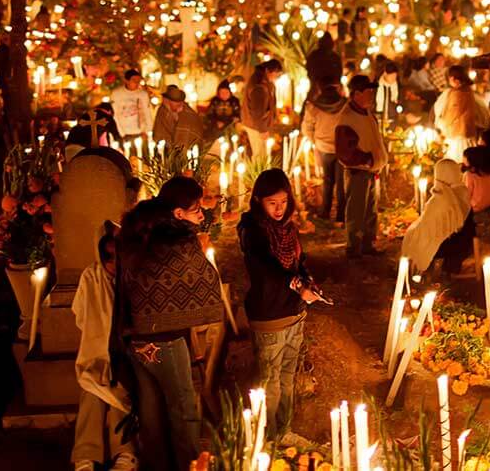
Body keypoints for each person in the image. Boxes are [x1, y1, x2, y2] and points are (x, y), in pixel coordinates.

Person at [117, 180, 221, 471]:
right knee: (184, 409)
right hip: (167, 342)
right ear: (178, 214)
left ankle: (157, 465)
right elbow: (203, 280)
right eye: (197, 210)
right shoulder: (180, 241)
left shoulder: (139, 234)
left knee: (150, 411)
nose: (201, 216)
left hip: (136, 337)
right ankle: (190, 465)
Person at [238, 169, 321, 436]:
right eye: (272, 203)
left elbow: (299, 262)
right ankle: (268, 439)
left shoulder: (287, 229)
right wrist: (298, 285)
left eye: (283, 202)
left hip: (294, 313)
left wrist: (308, 281)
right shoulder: (253, 231)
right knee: (270, 382)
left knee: (287, 376)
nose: (278, 209)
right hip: (270, 315)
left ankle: (283, 434)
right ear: (258, 200)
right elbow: (267, 269)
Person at [72, 223, 137, 471]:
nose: (113, 263)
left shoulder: (132, 276)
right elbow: (82, 315)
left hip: (128, 354)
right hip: (98, 352)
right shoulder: (91, 276)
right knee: (91, 388)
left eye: (117, 256)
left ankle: (125, 452)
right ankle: (86, 455)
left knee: (120, 390)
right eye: (107, 256)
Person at [334, 75, 388, 258]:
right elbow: (345, 151)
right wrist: (367, 160)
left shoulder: (365, 113)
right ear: (356, 94)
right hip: (359, 171)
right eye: (368, 91)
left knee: (370, 210)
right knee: (357, 210)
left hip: (370, 171)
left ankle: (367, 244)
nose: (371, 95)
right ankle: (354, 246)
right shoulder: (348, 117)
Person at [401, 159, 473, 277]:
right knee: (414, 232)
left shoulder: (440, 199)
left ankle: (419, 270)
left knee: (413, 236)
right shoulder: (462, 192)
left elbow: (428, 228)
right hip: (462, 241)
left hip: (446, 245)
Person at [302, 77, 347, 221]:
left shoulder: (314, 107)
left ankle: (325, 211)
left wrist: (314, 140)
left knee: (327, 180)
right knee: (341, 183)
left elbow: (306, 127)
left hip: (323, 147)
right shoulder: (345, 105)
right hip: (341, 148)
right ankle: (341, 214)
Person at [434, 65, 489, 162]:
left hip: (457, 135)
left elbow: (451, 114)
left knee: (457, 162)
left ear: (454, 79)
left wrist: (442, 125)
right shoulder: (468, 91)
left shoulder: (457, 93)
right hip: (466, 133)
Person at [242, 60, 283, 159]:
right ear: (268, 71)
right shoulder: (259, 86)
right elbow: (258, 111)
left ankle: (262, 172)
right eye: (276, 74)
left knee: (263, 154)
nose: (276, 77)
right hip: (256, 126)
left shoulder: (265, 82)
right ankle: (259, 173)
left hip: (258, 125)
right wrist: (262, 130)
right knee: (260, 155)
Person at [152, 85, 204, 150]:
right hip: (166, 149)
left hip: (188, 149)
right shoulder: (163, 110)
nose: (164, 102)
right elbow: (159, 130)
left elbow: (188, 136)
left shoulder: (189, 114)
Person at [111, 70, 154, 142]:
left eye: (138, 81)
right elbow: (115, 115)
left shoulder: (143, 94)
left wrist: (148, 131)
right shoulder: (116, 94)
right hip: (125, 133)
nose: (137, 83)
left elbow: (147, 113)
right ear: (126, 80)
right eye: (134, 80)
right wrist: (121, 133)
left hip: (141, 132)